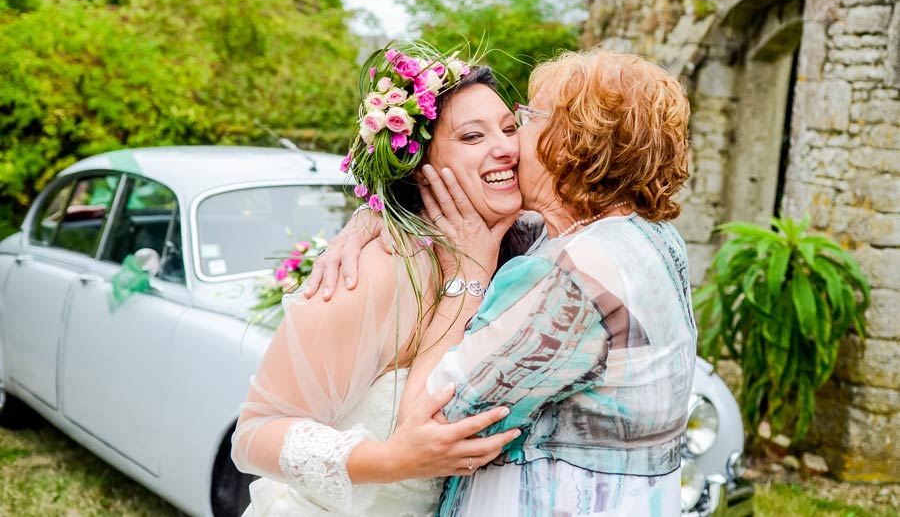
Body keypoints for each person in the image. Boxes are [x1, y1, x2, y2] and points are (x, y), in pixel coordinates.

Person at [308, 48, 696, 516]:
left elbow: (427, 425)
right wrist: (375, 216)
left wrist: (467, 277)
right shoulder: (650, 237)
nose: (512, 140)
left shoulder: (567, 276)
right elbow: (490, 222)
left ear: (570, 142)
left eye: (525, 120)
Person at [231, 41, 525, 516]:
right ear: (419, 166)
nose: (507, 148)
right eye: (473, 137)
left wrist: (371, 214)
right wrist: (388, 460)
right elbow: (253, 434)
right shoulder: (375, 271)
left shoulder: (525, 242)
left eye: (511, 129)